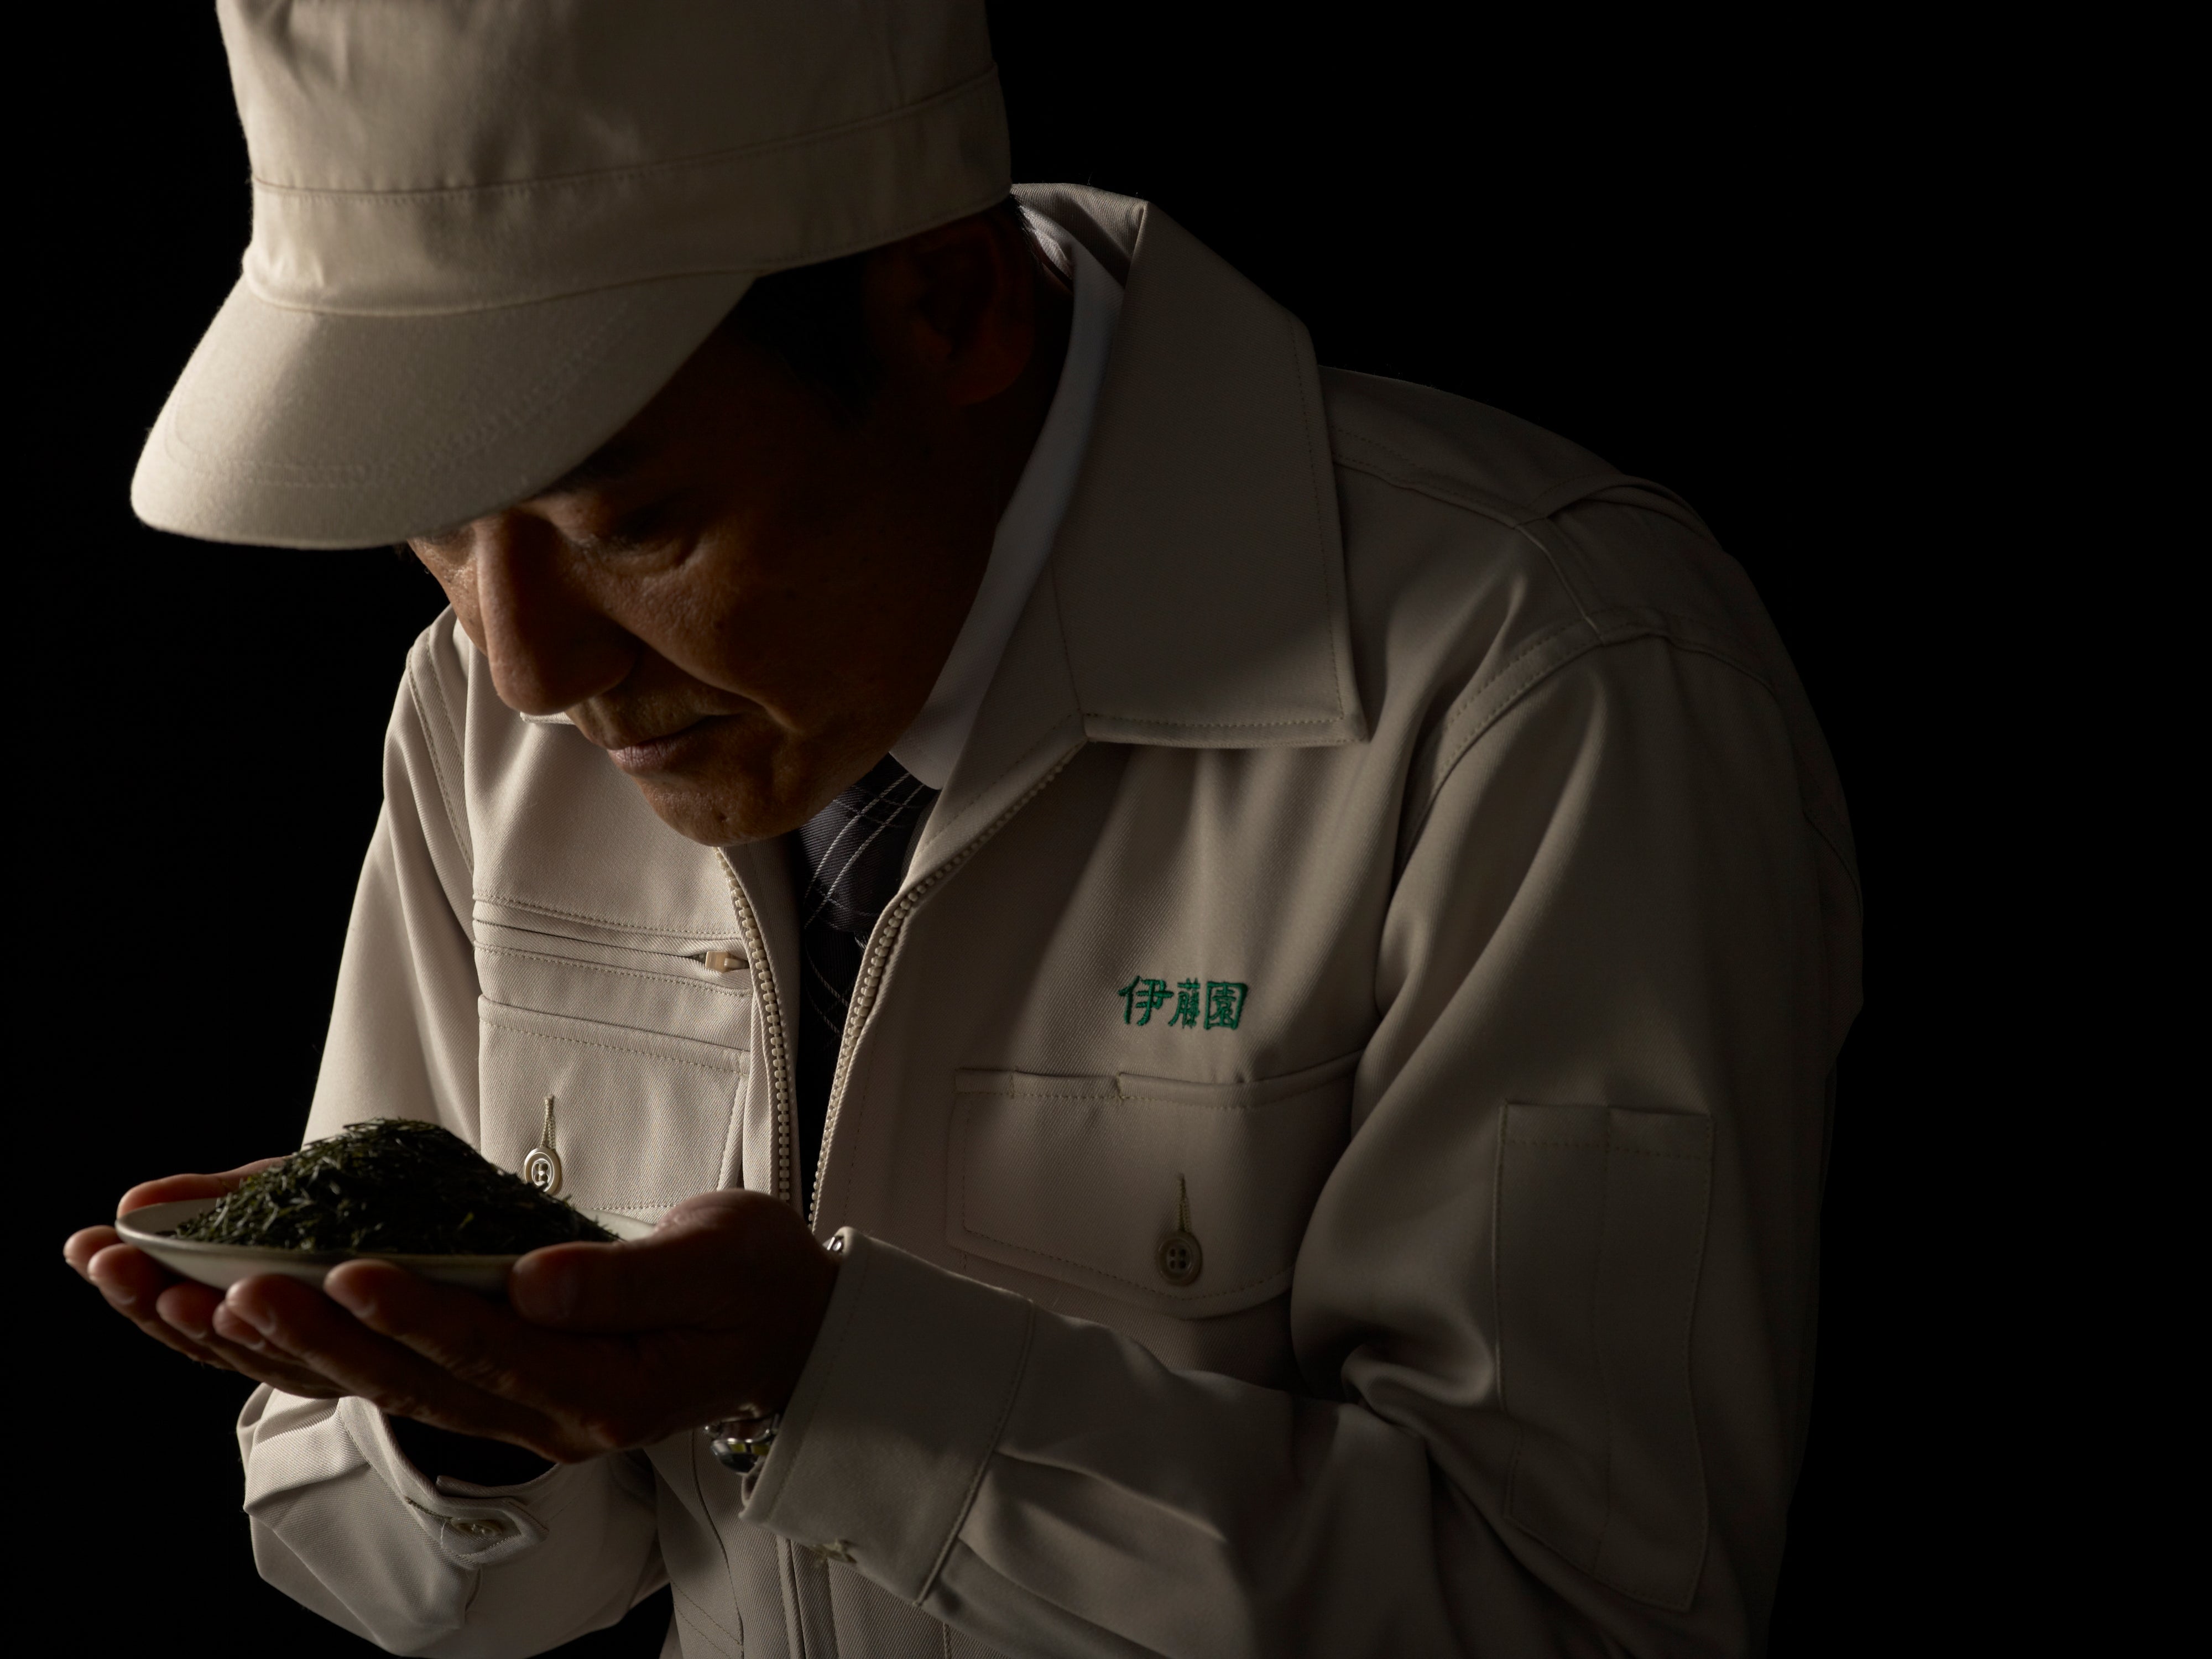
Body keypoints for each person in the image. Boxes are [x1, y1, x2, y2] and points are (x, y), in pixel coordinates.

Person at [63, 3, 1860, 1656]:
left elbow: (1587, 1615)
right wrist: (476, 1445)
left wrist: (838, 1382)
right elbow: (412, 1577)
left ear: (949, 311)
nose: (525, 668)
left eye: (634, 521)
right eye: (441, 530)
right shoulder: (483, 694)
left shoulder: (1540, 688)